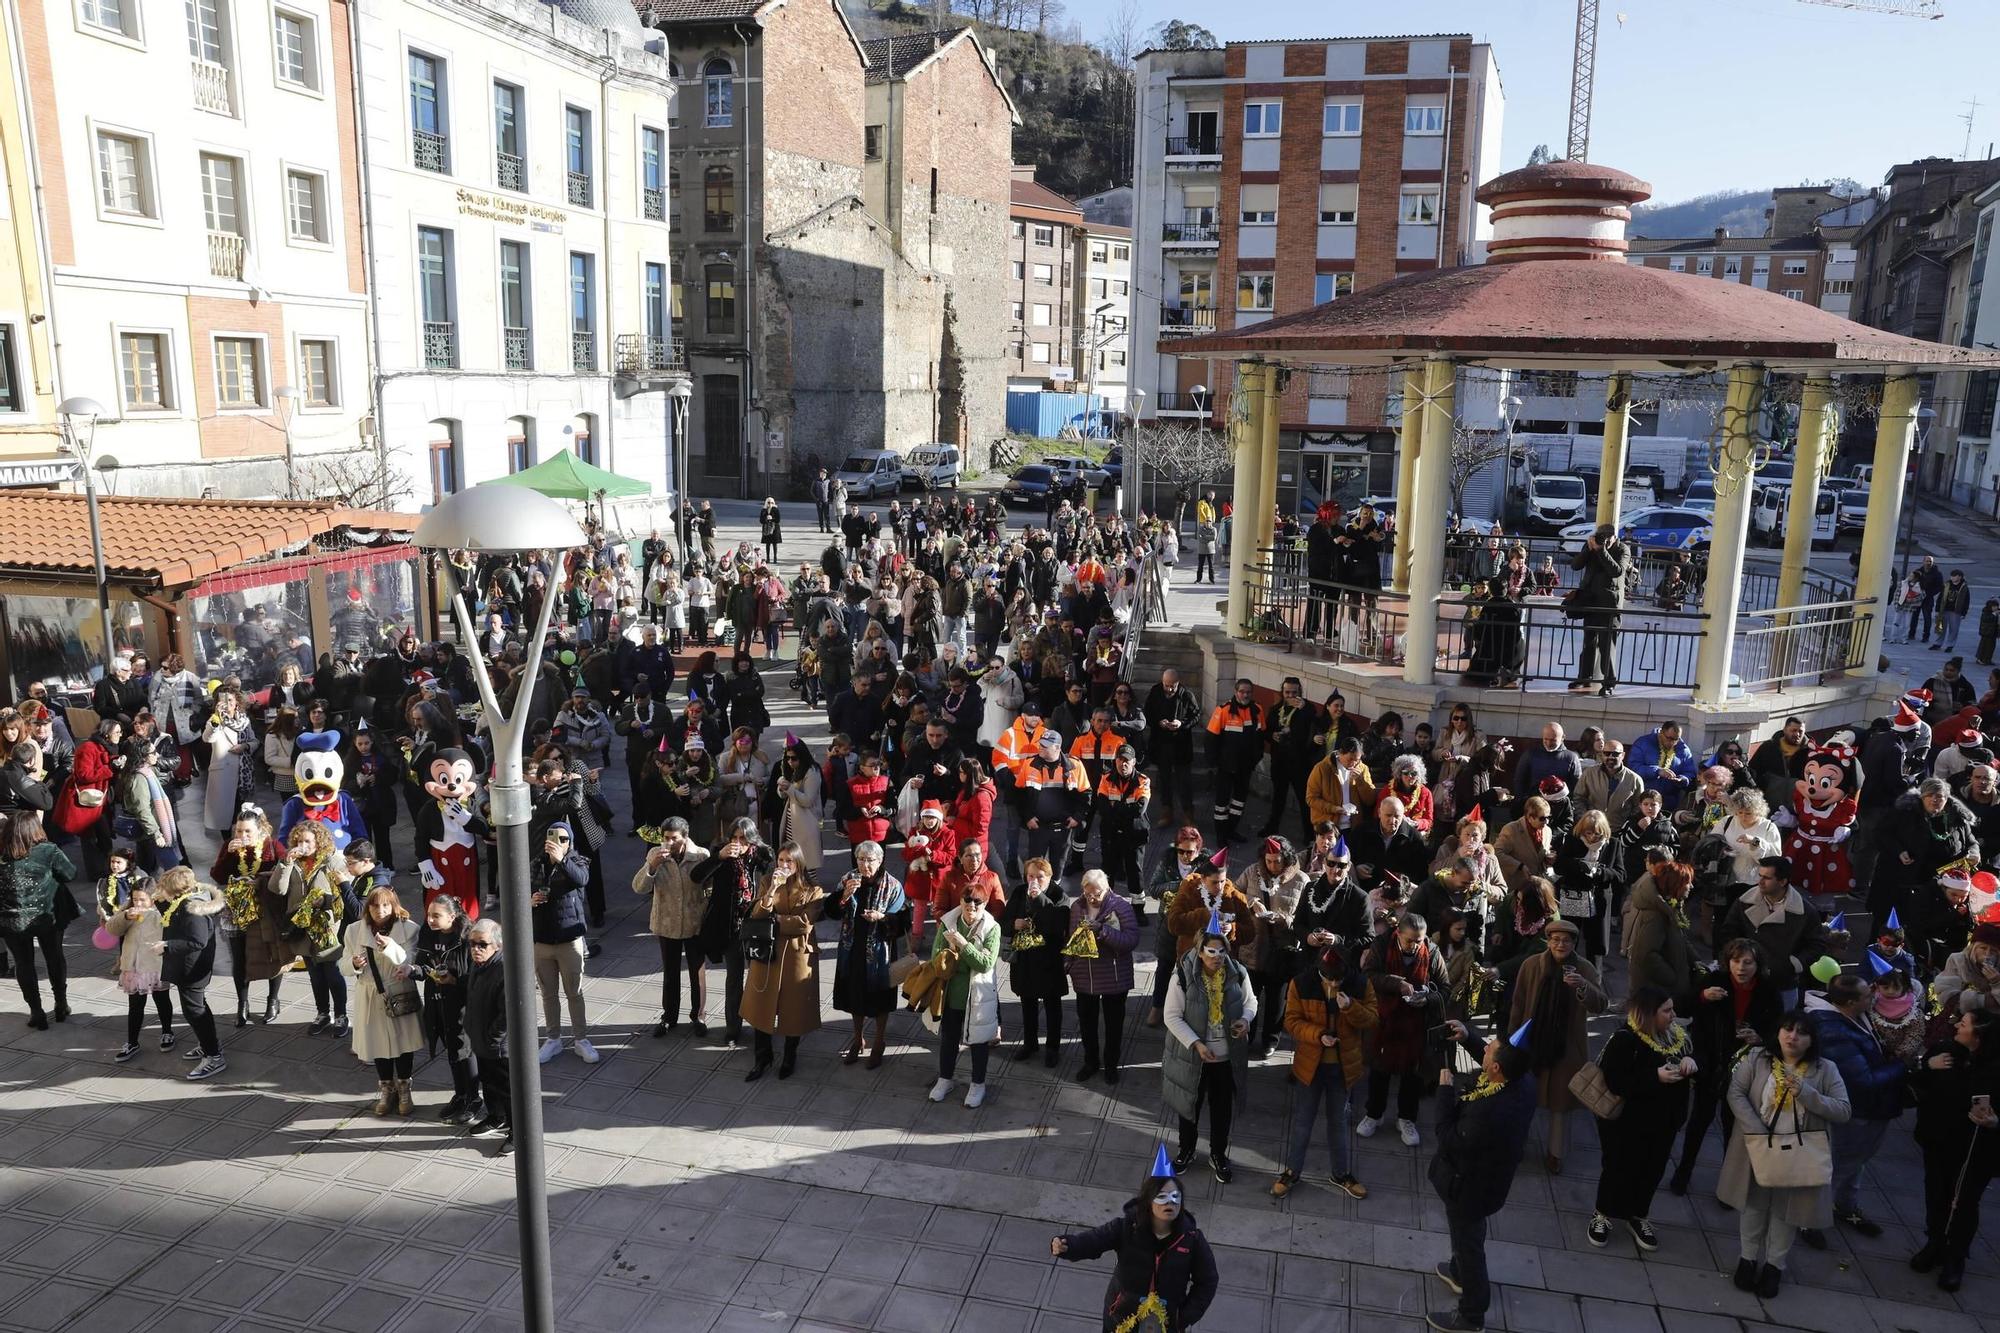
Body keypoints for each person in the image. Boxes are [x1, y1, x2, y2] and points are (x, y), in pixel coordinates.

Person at [1717, 1012, 1853, 1297]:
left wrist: (1806, 1092)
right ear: (1777, 1032)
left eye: (1801, 1033)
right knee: (1754, 1205)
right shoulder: (1757, 1059)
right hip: (1758, 1149)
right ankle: (1747, 1258)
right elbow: (1736, 1093)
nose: (1792, 1037)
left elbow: (1843, 1110)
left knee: (1785, 1212)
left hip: (1797, 1154)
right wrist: (1757, 1132)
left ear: (1812, 1040)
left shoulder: (1825, 1069)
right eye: (1788, 1029)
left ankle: (1774, 1265)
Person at [1426, 1020, 1540, 1333]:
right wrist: (1469, 1037)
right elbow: (1500, 1061)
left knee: (1469, 1243)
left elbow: (1447, 1135)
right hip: (1488, 1182)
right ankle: (1459, 1272)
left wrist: (1444, 1091)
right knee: (1467, 1236)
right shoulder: (1522, 1081)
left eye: (1488, 1050)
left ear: (1495, 1069)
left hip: (1469, 1187)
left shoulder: (1488, 1113)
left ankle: (1471, 1315)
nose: (1486, 1047)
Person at [1588, 986, 1696, 1251]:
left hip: (1664, 1122)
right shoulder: (1625, 1039)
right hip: (1627, 1123)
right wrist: (1654, 1077)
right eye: (1666, 1011)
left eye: (1672, 1009)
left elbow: (1694, 1061)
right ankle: (1602, 1214)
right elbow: (1615, 1081)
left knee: (1652, 1170)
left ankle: (1638, 1216)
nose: (1673, 1016)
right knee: (1617, 1167)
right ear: (1649, 1014)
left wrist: (1691, 1063)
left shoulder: (1678, 1038)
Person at [1672, 938, 1783, 1195]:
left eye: (1747, 962)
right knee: (1699, 1120)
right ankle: (1683, 1171)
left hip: (1744, 1067)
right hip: (1711, 1062)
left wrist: (1760, 1038)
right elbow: (1682, 1004)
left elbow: (1778, 1027)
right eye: (1736, 961)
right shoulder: (1716, 981)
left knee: (1733, 1127)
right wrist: (1702, 996)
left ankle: (1729, 1184)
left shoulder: (1768, 990)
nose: (1741, 968)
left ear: (1757, 964)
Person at [1803, 974, 1906, 1245]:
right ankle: (1810, 1219)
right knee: (1838, 1166)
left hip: (1869, 1111)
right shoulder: (1833, 1031)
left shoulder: (1849, 1018)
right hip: (1856, 1111)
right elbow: (1863, 1081)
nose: (1873, 995)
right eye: (1866, 995)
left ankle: (1845, 1206)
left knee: (1855, 1164)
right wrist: (1903, 1065)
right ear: (1850, 1002)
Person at [1271, 943, 1380, 1201]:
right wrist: (1318, 1035)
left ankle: (1341, 1173)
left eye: (1337, 979)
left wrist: (1350, 1007)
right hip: (1310, 1066)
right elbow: (1292, 1021)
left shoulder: (1360, 984)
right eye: (1327, 978)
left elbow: (1373, 1018)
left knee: (1339, 1123)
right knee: (1302, 1123)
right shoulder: (1301, 983)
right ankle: (1292, 1171)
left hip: (1343, 1067)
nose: (1332, 984)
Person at [1050, 1169, 1219, 1333]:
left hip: (1166, 1324)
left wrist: (1182, 1317)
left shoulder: (1192, 1239)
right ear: (1148, 1201)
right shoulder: (1125, 1228)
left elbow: (1208, 1281)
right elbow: (1093, 1241)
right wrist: (1067, 1246)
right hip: (1121, 1319)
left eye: (1176, 1196)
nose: (1170, 1202)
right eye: (1162, 1197)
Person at [1911, 1007, 2000, 1290]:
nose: (1957, 1026)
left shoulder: (1995, 1067)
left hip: (1976, 1150)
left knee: (1963, 1203)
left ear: (1980, 1034)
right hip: (1938, 1141)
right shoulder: (1944, 1050)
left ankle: (1955, 1257)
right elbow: (1919, 1082)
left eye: (1964, 1023)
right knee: (1936, 1193)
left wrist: (1995, 1121)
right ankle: (1935, 1242)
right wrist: (1928, 1066)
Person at [1508, 918, 1606, 1173]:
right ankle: (1516, 1145)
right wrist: (1511, 1040)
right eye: (1555, 940)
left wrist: (1583, 987)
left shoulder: (1583, 968)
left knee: (1560, 1106)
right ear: (1548, 942)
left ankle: (1555, 1154)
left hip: (1566, 1046)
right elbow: (1517, 1004)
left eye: (1566, 940)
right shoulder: (1531, 965)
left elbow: (1601, 1004)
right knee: (1525, 1099)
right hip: (1533, 1042)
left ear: (1574, 943)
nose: (1560, 944)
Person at [1163, 923, 1257, 1182]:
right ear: (1200, 951)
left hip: (1226, 1057)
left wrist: (1246, 1019)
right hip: (1193, 1056)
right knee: (1189, 1105)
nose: (1217, 958)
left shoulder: (1237, 972)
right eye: (1211, 952)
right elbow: (1171, 1016)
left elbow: (1250, 1001)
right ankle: (1187, 1150)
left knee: (1221, 1108)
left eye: (1222, 952)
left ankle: (1218, 1154)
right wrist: (1196, 1043)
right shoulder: (1183, 975)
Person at [1359, 911, 1448, 1146]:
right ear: (1398, 933)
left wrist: (1427, 998)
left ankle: (1406, 1119)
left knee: (1412, 1074)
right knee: (1379, 1070)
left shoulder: (1432, 951)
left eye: (1420, 940)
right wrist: (1397, 983)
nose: (1415, 945)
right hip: (1384, 1019)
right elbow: (1368, 975)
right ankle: (1374, 1114)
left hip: (1416, 1024)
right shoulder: (1381, 945)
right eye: (1410, 940)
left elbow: (1444, 988)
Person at [740, 841, 826, 1081]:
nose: (784, 865)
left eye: (789, 861)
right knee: (761, 1004)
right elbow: (757, 915)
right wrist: (770, 893)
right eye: (780, 860)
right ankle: (762, 1057)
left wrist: (775, 920)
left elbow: (804, 924)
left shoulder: (813, 889)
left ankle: (789, 1056)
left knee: (794, 1008)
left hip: (797, 954)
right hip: (767, 951)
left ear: (798, 864)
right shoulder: (768, 882)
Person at [1718, 856, 1844, 1006]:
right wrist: (1736, 959)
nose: (1760, 882)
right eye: (1760, 876)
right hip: (1745, 981)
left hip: (1783, 984)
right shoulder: (1743, 902)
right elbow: (1728, 933)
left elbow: (1817, 945)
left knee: (1782, 1025)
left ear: (1783, 881)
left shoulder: (1805, 911)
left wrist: (1793, 964)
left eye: (1767, 878)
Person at [345, 885, 425, 1116]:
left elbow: (408, 960)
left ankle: (404, 1088)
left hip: (399, 991)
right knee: (377, 1044)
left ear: (394, 906)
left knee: (404, 1044)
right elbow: (342, 965)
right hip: (370, 995)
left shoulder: (409, 929)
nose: (380, 910)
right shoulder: (353, 931)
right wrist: (353, 964)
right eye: (375, 905)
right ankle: (386, 1088)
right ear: (367, 908)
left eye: (386, 905)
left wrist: (390, 946)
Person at [830, 840, 906, 1069]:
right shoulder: (849, 879)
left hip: (880, 954)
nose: (865, 865)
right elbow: (831, 909)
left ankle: (879, 1041)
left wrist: (882, 918)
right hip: (852, 949)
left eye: (870, 860)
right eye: (861, 860)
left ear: (880, 860)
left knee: (880, 1000)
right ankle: (857, 1038)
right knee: (854, 996)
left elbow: (904, 922)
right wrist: (844, 896)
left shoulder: (893, 886)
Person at [633, 818, 712, 1037]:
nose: (669, 843)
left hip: (694, 922)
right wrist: (652, 867)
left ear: (685, 837)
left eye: (673, 838)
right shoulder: (655, 856)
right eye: (665, 838)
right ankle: (669, 1017)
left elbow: (710, 887)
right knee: (670, 971)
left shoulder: (701, 856)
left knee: (697, 972)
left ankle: (699, 1016)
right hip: (666, 923)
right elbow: (639, 887)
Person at [928, 875, 1001, 1107]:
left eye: (977, 902)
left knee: (979, 1043)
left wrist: (961, 946)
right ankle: (944, 1079)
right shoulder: (948, 922)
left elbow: (985, 964)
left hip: (979, 997)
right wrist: (961, 957)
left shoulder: (992, 928)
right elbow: (936, 959)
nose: (971, 906)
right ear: (959, 902)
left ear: (985, 904)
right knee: (948, 1039)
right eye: (967, 901)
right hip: (951, 995)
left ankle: (978, 1084)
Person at [530, 820, 598, 1065]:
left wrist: (562, 860)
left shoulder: (576, 861)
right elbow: (520, 890)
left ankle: (581, 1039)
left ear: (570, 842)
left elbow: (581, 880)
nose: (558, 843)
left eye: (564, 839)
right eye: (553, 837)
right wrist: (530, 900)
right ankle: (553, 1038)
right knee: (548, 994)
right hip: (542, 940)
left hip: (569, 939)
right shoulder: (536, 863)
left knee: (574, 992)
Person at [0, 811, 77, 1028]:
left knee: (23, 963)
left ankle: (36, 1011)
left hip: (12, 919)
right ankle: (61, 1003)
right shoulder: (48, 851)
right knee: (55, 957)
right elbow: (70, 874)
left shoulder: (3, 854)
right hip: (48, 915)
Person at [153, 866, 227, 1080]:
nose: (160, 890)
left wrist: (166, 945)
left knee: (194, 1011)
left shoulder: (192, 909)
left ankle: (213, 1056)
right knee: (197, 1008)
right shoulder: (182, 903)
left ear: (176, 891)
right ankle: (208, 1045)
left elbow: (197, 940)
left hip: (192, 969)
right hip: (186, 968)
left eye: (163, 888)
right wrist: (159, 900)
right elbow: (170, 914)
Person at [1068, 868, 1139, 1084]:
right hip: (1084, 977)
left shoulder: (1121, 906)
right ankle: (1091, 1062)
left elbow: (1130, 940)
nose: (1092, 898)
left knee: (1113, 1025)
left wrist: (1102, 931)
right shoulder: (1077, 907)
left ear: (1106, 888)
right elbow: (1070, 938)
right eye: (1088, 893)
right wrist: (1068, 964)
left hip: (1114, 978)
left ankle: (1111, 1065)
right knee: (1087, 1024)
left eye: (1097, 893)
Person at [1006, 857, 1070, 1068]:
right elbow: (1004, 920)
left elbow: (1057, 923)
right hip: (1025, 960)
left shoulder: (1059, 896)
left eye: (1040, 877)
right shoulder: (1018, 892)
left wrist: (1039, 898)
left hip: (1049, 960)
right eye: (1030, 876)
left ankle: (1053, 1048)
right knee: (1028, 1003)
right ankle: (1030, 1043)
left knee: (1053, 1007)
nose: (1034, 880)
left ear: (1050, 877)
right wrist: (1014, 923)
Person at [461, 918, 513, 1154]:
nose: (476, 949)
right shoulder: (479, 964)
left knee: (508, 1089)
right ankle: (496, 1117)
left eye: (482, 944)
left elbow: (507, 1014)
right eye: (472, 943)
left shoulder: (504, 970)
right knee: (489, 1083)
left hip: (500, 1046)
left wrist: (493, 1037)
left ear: (498, 945)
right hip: (482, 1039)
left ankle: (517, 1131)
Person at [1568, 524, 1630, 697]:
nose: (1603, 541)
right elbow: (1575, 565)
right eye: (1600, 537)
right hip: (1591, 602)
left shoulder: (1623, 549)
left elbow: (1616, 571)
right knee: (1589, 643)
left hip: (1610, 606)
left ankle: (1609, 683)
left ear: (1613, 537)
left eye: (1606, 539)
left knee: (1606, 646)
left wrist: (1602, 551)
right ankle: (1584, 676)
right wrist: (1588, 550)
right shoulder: (1592, 545)